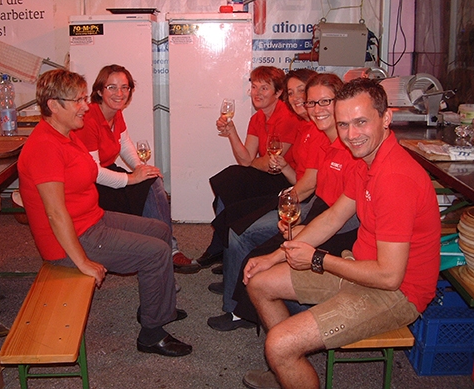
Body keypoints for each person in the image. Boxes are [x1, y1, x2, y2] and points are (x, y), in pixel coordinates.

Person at [241, 77, 441, 389]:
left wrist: (318, 259)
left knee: (279, 344)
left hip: (398, 294)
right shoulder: (365, 160)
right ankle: (288, 367)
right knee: (260, 282)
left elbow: (390, 277)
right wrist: (273, 257)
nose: (351, 134)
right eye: (344, 124)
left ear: (386, 118)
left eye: (361, 122)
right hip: (360, 268)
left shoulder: (395, 178)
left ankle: (285, 355)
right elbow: (333, 218)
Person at [18, 69, 192, 357]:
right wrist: (83, 262)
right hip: (71, 240)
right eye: (77, 101)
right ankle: (152, 334)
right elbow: (56, 214)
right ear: (53, 105)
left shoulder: (66, 134)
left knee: (160, 230)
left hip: (91, 219)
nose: (85, 106)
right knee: (156, 253)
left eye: (84, 98)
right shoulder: (44, 147)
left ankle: (155, 306)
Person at [208, 73, 358, 332]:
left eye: (324, 101)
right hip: (308, 203)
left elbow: (317, 194)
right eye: (310, 101)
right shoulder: (312, 131)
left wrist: (287, 209)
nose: (313, 107)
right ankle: (232, 276)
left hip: (315, 210)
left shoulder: (340, 142)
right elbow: (258, 162)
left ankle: (239, 306)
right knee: (230, 193)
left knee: (242, 231)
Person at [74, 64, 198, 274]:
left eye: (125, 87)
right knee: (145, 187)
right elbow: (94, 171)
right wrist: (133, 178)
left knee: (152, 180)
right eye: (112, 87)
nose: (119, 93)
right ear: (99, 91)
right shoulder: (90, 118)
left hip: (107, 173)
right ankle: (165, 250)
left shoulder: (115, 112)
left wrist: (141, 169)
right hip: (90, 183)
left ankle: (165, 248)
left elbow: (124, 144)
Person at [195, 66, 304, 269]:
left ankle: (220, 249)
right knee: (227, 186)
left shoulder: (288, 117)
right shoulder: (257, 117)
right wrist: (231, 132)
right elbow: (246, 158)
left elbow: (270, 162)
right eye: (254, 87)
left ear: (278, 92)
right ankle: (225, 250)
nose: (257, 93)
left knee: (231, 179)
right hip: (268, 173)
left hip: (286, 178)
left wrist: (254, 162)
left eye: (264, 88)